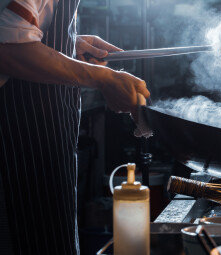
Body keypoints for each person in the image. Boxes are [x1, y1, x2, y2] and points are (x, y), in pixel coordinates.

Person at [0, 0, 150, 254]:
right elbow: (8, 50)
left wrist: (69, 44)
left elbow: (19, 28)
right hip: (15, 138)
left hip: (45, 136)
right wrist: (102, 78)